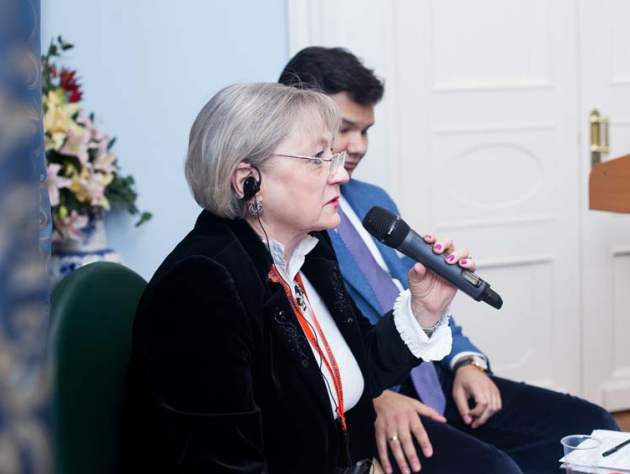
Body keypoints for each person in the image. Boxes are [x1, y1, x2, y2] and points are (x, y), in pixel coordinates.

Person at [279, 46, 619, 474]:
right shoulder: (291, 221)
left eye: (366, 131)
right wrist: (371, 399)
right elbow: (305, 343)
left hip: (434, 370)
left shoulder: (371, 200)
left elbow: (414, 297)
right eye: (346, 129)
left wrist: (466, 362)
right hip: (383, 392)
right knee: (498, 468)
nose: (358, 146)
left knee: (594, 428)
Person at [120, 83, 476, 474]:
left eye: (333, 156)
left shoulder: (309, 248)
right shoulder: (201, 284)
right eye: (318, 159)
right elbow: (225, 464)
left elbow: (360, 369)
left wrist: (423, 309)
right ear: (247, 181)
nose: (341, 174)